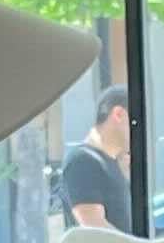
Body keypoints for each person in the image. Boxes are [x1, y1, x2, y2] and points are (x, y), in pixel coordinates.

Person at [56, 88, 135, 231]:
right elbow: (95, 229)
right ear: (119, 114)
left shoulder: (113, 163)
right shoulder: (83, 161)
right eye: (136, 121)